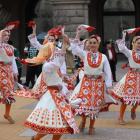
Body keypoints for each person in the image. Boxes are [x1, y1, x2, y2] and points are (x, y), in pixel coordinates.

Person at [16, 34, 80, 140]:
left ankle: (35, 138)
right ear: (48, 52)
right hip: (51, 98)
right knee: (53, 123)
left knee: (59, 124)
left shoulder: (53, 66)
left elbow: (59, 82)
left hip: (58, 96)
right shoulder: (47, 66)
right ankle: (35, 138)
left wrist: (66, 95)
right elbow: (59, 62)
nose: (56, 51)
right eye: (54, 50)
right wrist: (64, 43)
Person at [69, 26, 114, 135]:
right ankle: (83, 122)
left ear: (98, 44)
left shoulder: (103, 57)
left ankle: (91, 126)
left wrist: (108, 86)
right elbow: (74, 48)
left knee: (94, 106)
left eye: (94, 43)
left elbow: (107, 72)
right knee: (84, 104)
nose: (92, 45)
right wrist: (78, 34)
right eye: (91, 43)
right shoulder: (85, 54)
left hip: (98, 84)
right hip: (87, 83)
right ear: (88, 44)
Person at [110, 30, 140, 125]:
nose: (139, 45)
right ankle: (120, 117)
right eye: (138, 43)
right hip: (131, 77)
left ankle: (133, 110)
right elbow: (122, 48)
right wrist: (124, 36)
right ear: (134, 44)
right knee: (125, 98)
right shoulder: (130, 53)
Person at [0, 29, 18, 124]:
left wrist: (15, 73)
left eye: (7, 35)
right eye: (4, 35)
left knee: (9, 93)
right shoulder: (0, 46)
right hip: (1, 69)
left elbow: (13, 61)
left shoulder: (11, 47)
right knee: (5, 91)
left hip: (9, 71)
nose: (6, 36)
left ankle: (7, 114)